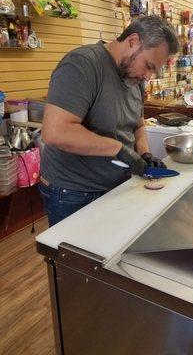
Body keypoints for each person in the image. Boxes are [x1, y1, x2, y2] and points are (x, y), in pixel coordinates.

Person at [39, 15, 179, 226]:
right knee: (77, 258)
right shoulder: (82, 64)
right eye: (148, 66)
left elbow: (138, 124)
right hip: (73, 193)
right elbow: (55, 132)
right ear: (132, 41)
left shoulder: (134, 77)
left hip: (117, 186)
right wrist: (119, 149)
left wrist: (144, 153)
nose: (148, 77)